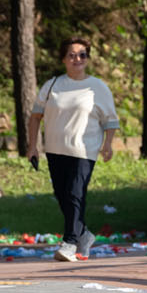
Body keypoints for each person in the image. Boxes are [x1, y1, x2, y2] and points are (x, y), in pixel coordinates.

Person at [26, 38, 120, 262]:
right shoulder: (52, 85)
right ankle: (84, 234)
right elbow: (35, 117)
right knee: (63, 197)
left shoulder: (97, 87)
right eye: (72, 55)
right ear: (63, 59)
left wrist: (107, 144)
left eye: (82, 54)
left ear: (87, 58)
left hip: (84, 151)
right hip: (55, 150)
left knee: (75, 194)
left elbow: (110, 120)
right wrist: (32, 146)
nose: (77, 59)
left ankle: (69, 242)